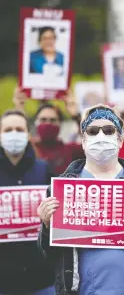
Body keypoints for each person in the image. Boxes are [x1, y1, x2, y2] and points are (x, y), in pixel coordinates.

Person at [37, 104, 124, 295]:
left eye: (108, 130)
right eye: (92, 131)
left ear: (119, 140)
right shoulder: (62, 188)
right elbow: (49, 254)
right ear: (83, 141)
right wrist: (46, 225)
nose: (100, 136)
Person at [0, 109, 55, 295]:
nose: (13, 134)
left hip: (42, 277)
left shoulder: (45, 169)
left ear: (28, 135)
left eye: (19, 129)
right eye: (8, 130)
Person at [31, 102, 84, 175]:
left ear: (60, 123)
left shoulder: (70, 150)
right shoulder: (29, 149)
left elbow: (90, 146)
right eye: (43, 120)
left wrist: (76, 117)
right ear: (36, 122)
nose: (48, 123)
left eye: (53, 120)